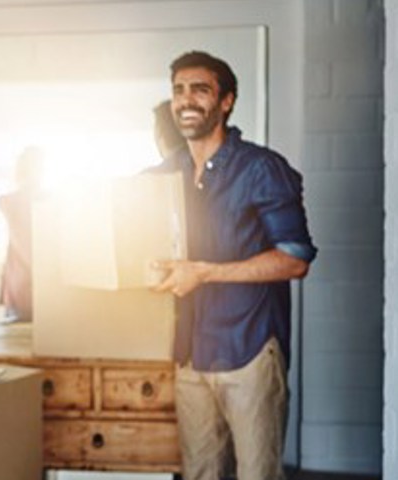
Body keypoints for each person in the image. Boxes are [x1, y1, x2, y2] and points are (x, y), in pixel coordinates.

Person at [151, 51, 317, 480]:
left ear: (226, 101)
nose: (186, 100)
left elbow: (295, 259)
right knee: (200, 472)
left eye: (200, 89)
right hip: (190, 352)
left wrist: (204, 272)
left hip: (249, 348)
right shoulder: (165, 174)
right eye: (179, 90)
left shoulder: (262, 169)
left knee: (257, 474)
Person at [0, 146, 44, 322]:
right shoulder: (10, 201)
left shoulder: (48, 199)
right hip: (24, 286)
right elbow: (23, 244)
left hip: (32, 285)